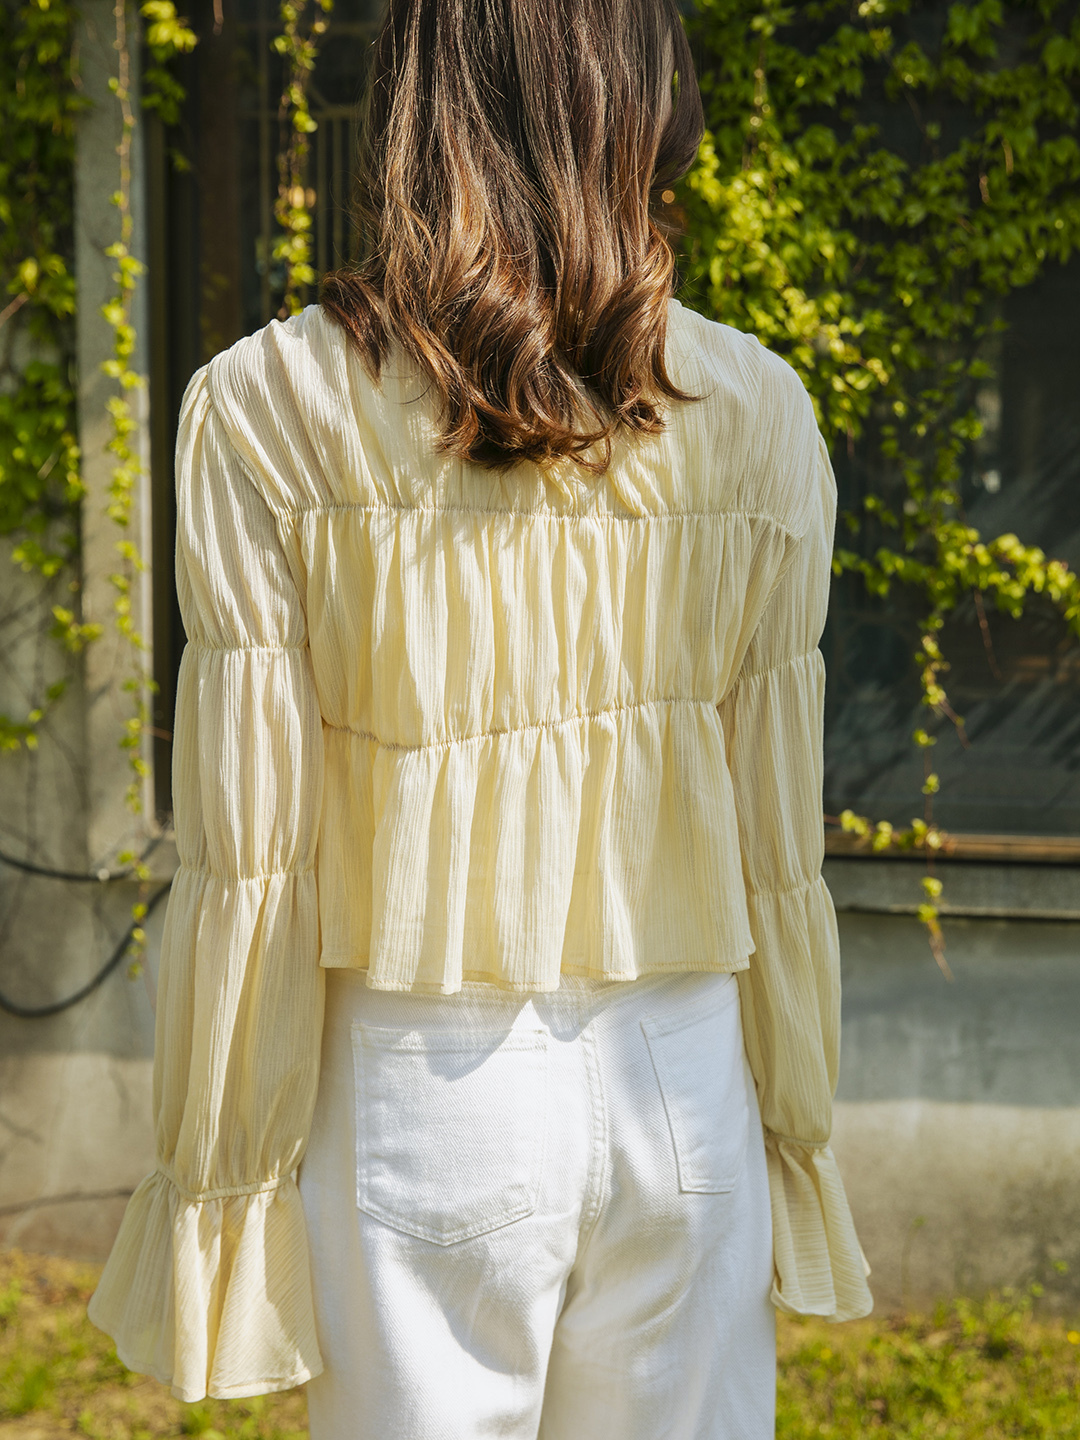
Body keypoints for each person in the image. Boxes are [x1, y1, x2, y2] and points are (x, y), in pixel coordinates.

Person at [87, 0, 873, 1432]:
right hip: (686, 1076)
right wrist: (790, 1120)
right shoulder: (759, 409)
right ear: (642, 93)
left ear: (414, 95)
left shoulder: (266, 407)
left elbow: (253, 861)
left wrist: (229, 1173)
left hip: (416, 1089)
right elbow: (776, 847)